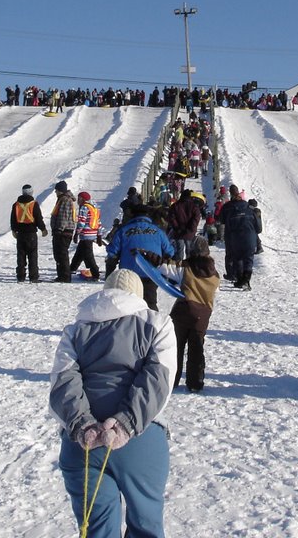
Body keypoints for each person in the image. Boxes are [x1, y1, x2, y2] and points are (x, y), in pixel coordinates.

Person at [49, 268, 177, 538]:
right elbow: (158, 379)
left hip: (83, 445)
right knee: (147, 527)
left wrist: (84, 425)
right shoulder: (157, 324)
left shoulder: (75, 330)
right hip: (140, 441)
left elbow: (63, 381)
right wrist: (125, 423)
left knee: (98, 530)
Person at [148, 235, 220, 393]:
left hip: (183, 311)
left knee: (176, 346)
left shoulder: (186, 268)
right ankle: (195, 382)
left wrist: (148, 255)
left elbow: (166, 266)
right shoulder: (215, 275)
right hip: (202, 315)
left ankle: (172, 379)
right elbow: (216, 291)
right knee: (197, 348)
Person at [105, 204, 175, 311]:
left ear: (132, 215)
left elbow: (112, 252)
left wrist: (110, 270)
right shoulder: (158, 231)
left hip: (128, 274)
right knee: (150, 303)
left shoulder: (123, 231)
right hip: (151, 274)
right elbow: (170, 251)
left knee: (128, 305)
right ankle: (153, 325)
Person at [218, 184, 261, 290]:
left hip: (234, 237)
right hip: (250, 238)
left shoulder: (228, 208)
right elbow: (259, 228)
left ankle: (239, 279)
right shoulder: (249, 208)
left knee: (237, 258)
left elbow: (222, 220)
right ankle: (246, 281)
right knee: (248, 260)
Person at [10, 184, 47, 282]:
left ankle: (21, 277)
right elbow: (38, 218)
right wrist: (43, 229)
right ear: (31, 192)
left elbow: (13, 219)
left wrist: (14, 230)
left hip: (20, 234)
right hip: (31, 234)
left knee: (21, 255)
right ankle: (33, 277)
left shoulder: (16, 204)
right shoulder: (33, 204)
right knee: (32, 255)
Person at [69, 191, 103, 281]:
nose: (77, 201)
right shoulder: (94, 208)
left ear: (82, 199)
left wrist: (77, 233)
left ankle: (95, 273)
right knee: (79, 252)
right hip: (92, 234)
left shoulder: (84, 208)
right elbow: (98, 223)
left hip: (86, 234)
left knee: (88, 255)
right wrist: (99, 235)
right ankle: (72, 268)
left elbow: (81, 222)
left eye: (79, 198)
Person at [51, 180, 78, 282]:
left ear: (60, 190)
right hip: (64, 231)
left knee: (62, 254)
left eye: (56, 190)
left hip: (64, 231)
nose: (55, 192)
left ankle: (65, 276)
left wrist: (59, 229)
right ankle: (62, 275)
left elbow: (63, 215)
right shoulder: (63, 199)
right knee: (59, 254)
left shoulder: (65, 200)